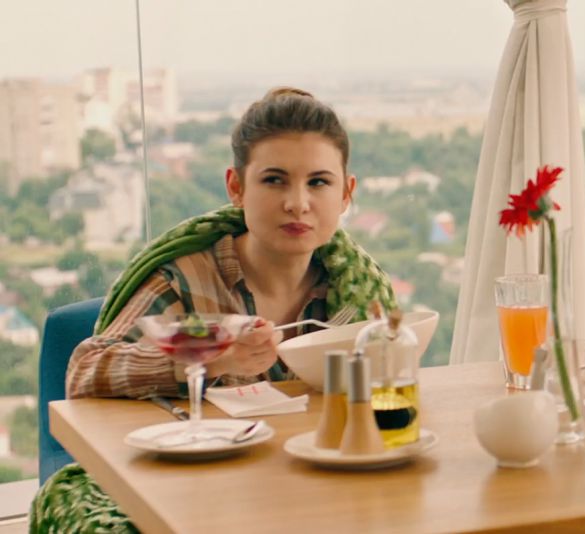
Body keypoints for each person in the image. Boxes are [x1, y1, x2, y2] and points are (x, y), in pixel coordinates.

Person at [31, 87, 397, 532]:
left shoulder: (356, 296)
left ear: (346, 194)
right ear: (236, 187)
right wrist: (213, 358)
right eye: (274, 180)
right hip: (192, 491)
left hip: (317, 484)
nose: (297, 203)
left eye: (318, 182)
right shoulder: (185, 279)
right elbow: (85, 372)